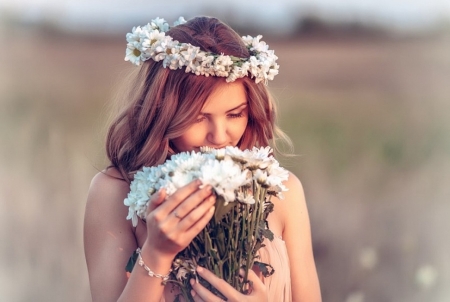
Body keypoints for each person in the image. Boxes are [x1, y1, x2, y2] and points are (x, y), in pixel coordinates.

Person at [84, 16, 321, 302]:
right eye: (198, 118)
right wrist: (157, 253)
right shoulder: (113, 193)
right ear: (163, 112)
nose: (219, 136)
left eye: (235, 114)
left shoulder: (282, 191)